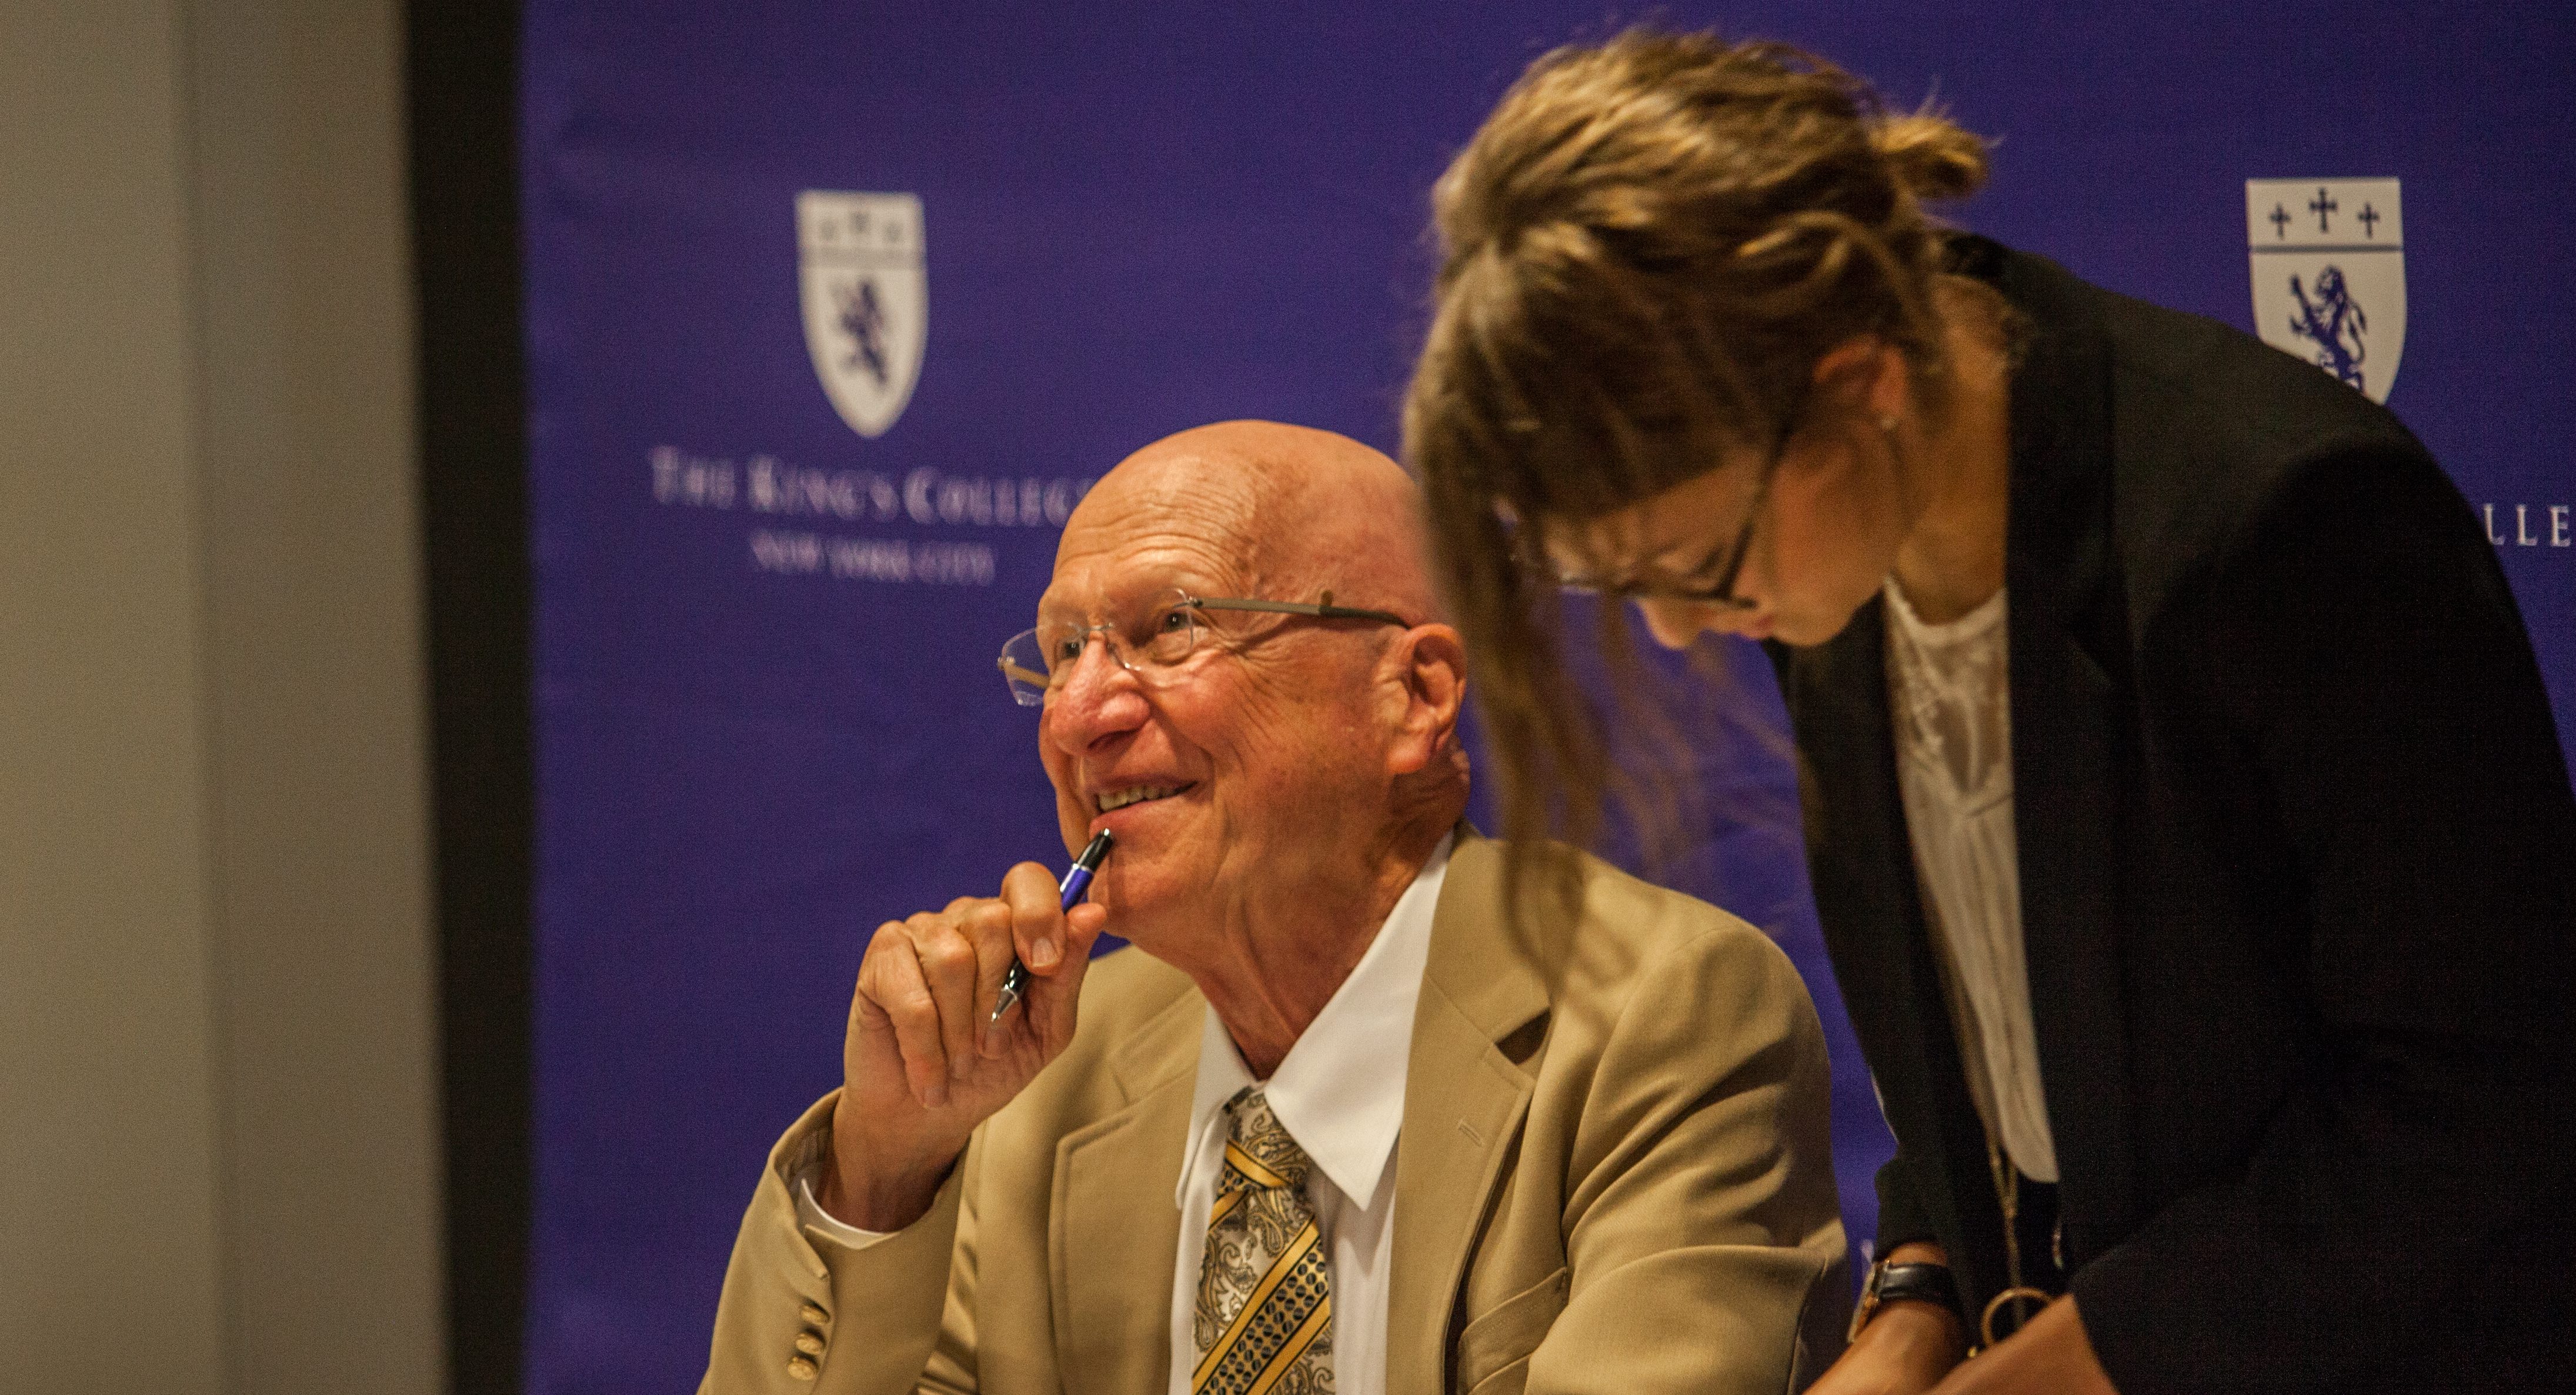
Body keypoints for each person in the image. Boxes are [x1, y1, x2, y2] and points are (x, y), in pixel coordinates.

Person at [1401, 29, 2576, 1395]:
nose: (1678, 628)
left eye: (1693, 568)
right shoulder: (1822, 561)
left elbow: (2491, 1087)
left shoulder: (2281, 525)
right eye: (1624, 584)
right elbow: (2008, 1045)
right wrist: (1918, 1297)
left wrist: (2087, 1356)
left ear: (1864, 382)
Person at [699, 421, 1851, 1394]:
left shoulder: (1664, 1017)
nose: (1078, 714)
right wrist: (888, 1171)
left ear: (1414, 697)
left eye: (1170, 627)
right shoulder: (1039, 1084)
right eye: (1061, 651)